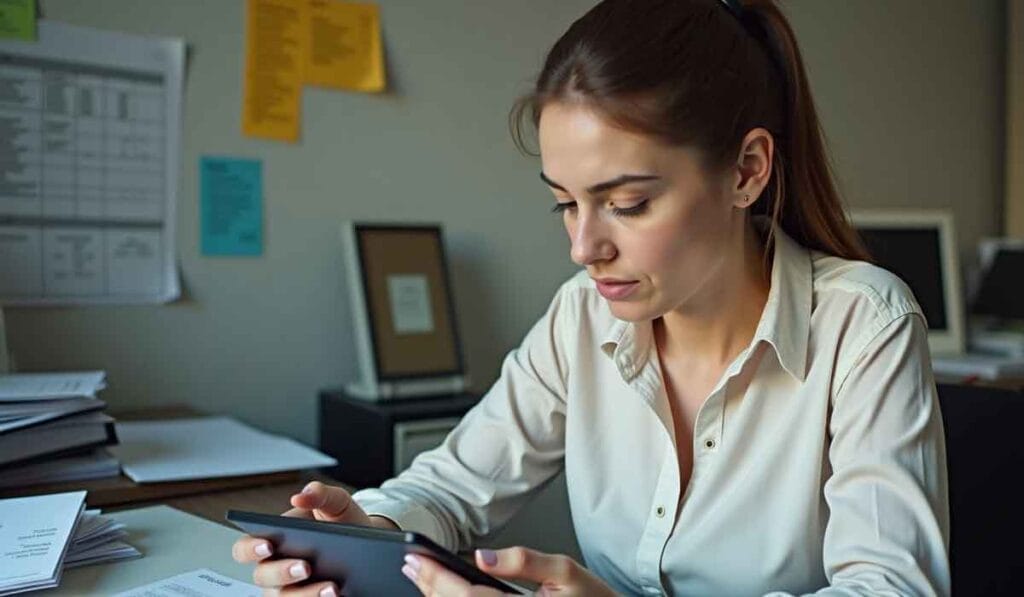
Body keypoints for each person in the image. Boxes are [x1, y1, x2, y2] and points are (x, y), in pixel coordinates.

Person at [232, 0, 950, 594]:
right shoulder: (584, 314)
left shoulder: (866, 325)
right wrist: (364, 532)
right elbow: (451, 486)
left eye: (628, 203)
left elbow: (890, 587)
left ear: (747, 170)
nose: (585, 247)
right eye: (565, 205)